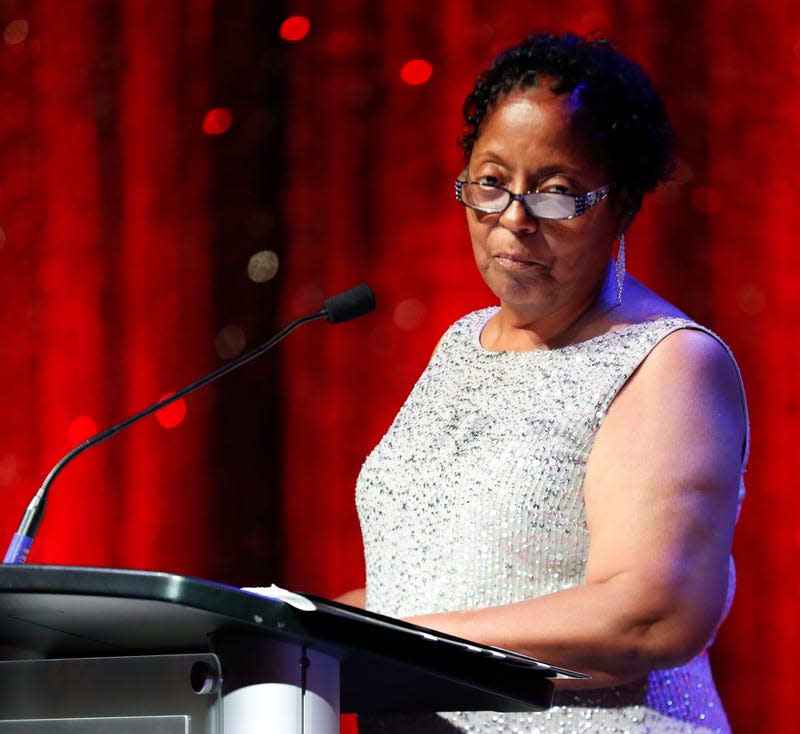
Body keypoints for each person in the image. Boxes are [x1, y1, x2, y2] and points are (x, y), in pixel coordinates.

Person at [342, 32, 748, 734]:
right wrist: (283, 627)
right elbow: (437, 585)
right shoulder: (459, 346)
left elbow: (651, 614)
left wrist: (393, 641)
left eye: (557, 193)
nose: (514, 220)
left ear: (621, 204)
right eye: (492, 183)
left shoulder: (669, 363)